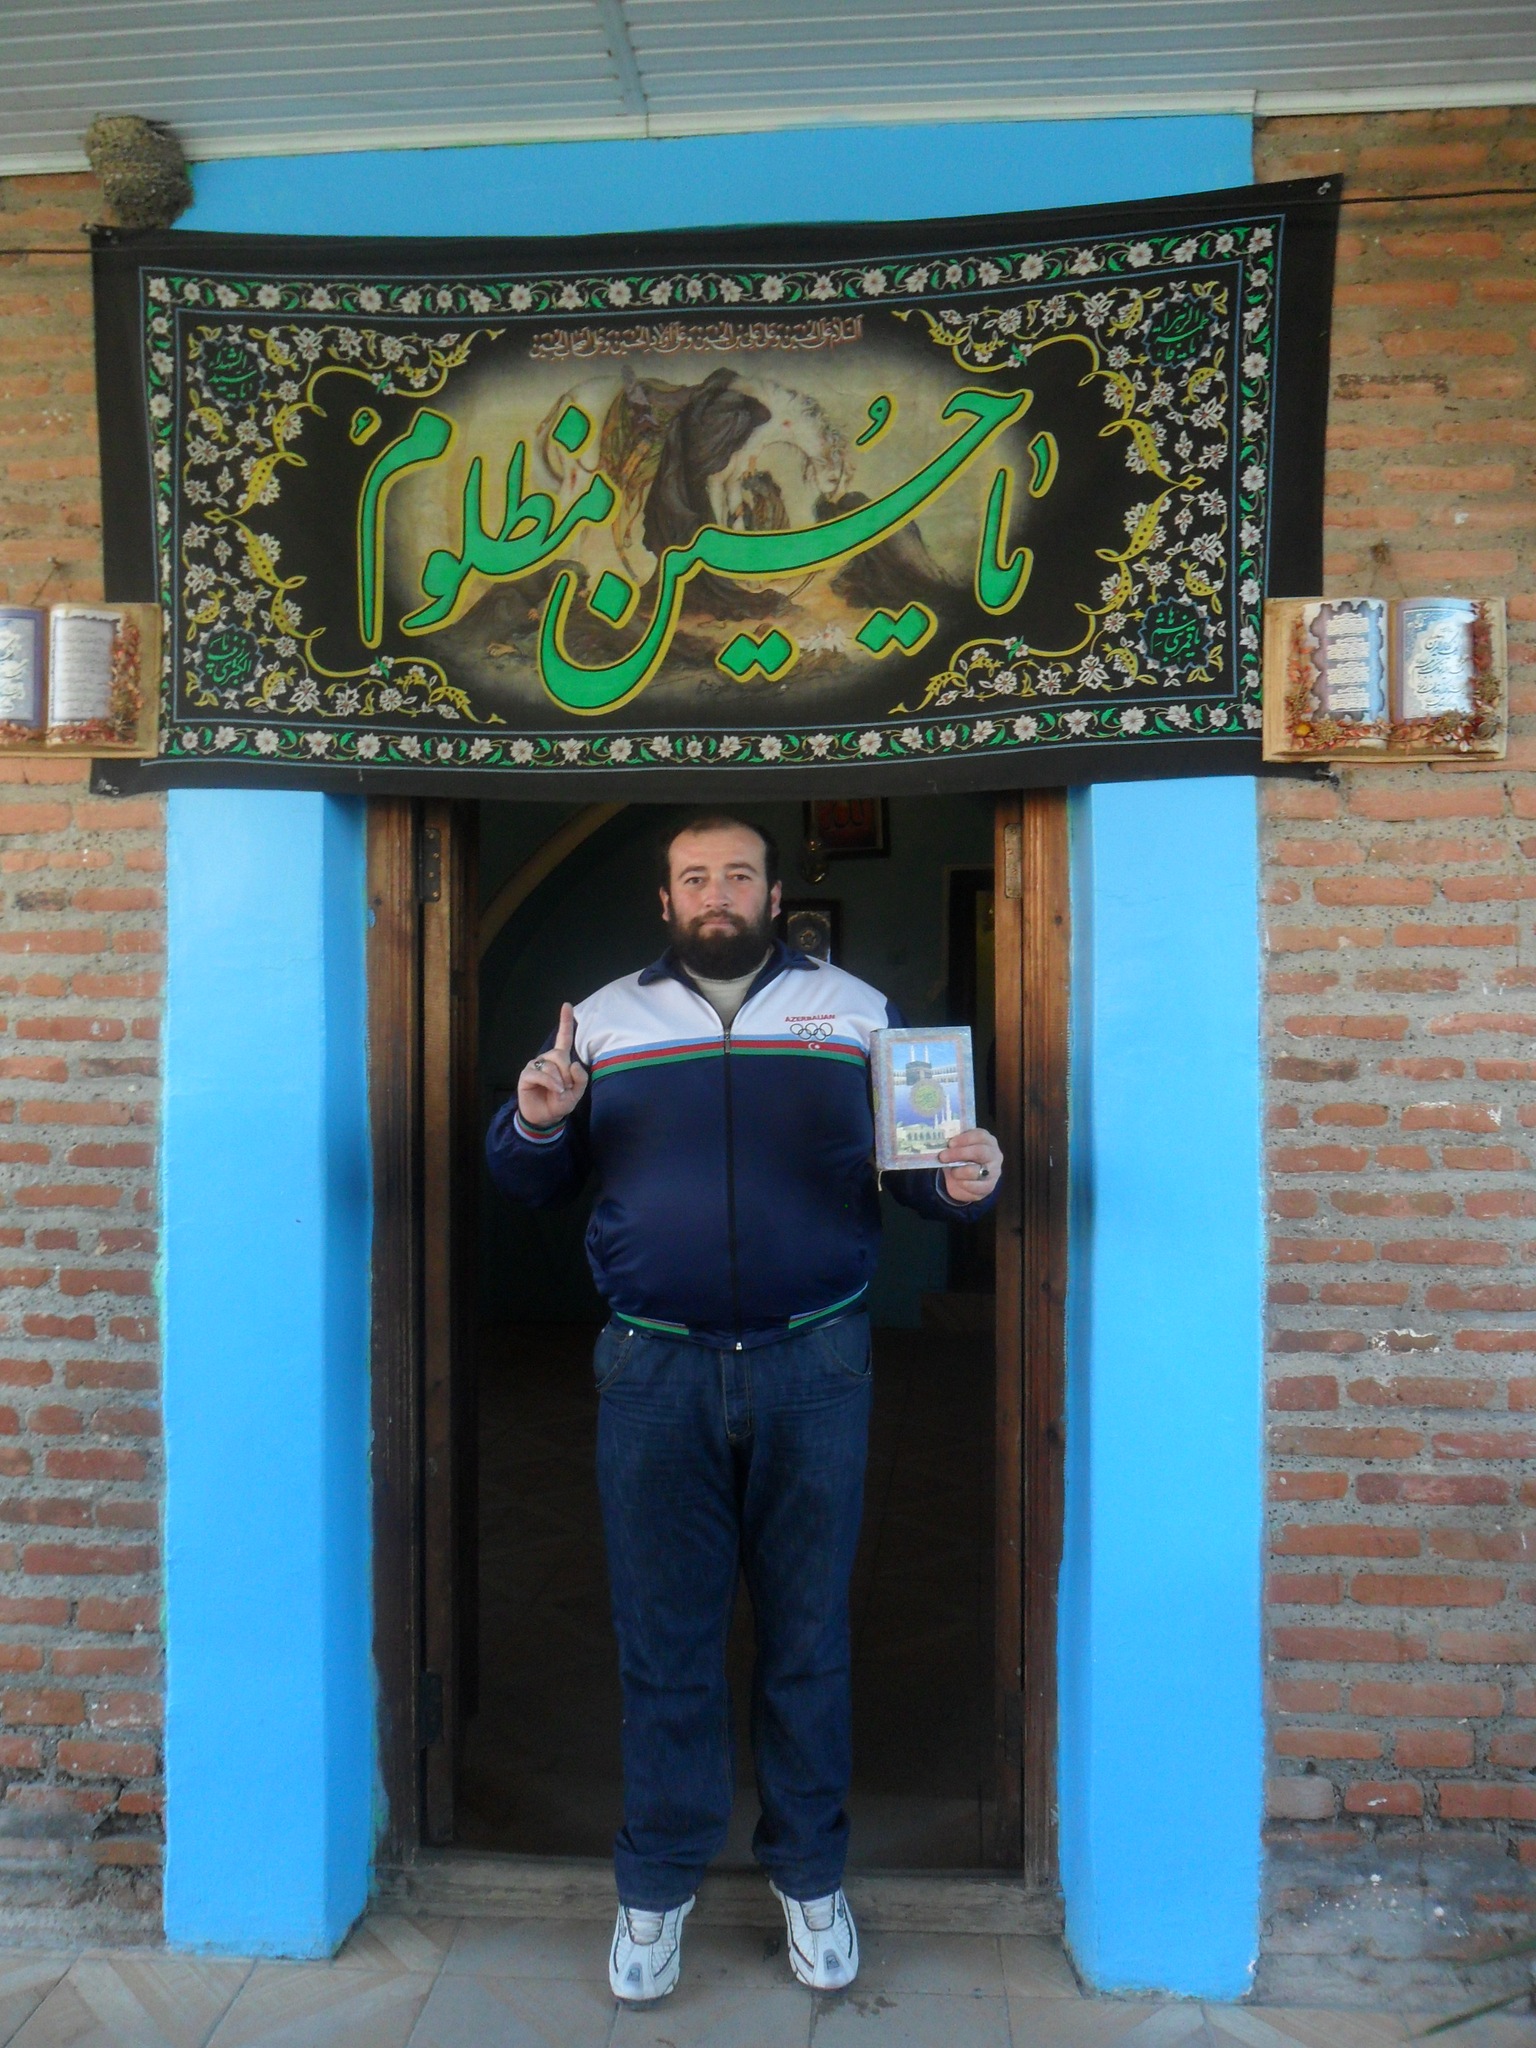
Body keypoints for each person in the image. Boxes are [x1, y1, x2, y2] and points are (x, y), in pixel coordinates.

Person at [485, 813, 1002, 2004]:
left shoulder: (856, 1009)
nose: (715, 892)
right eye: (693, 877)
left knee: (808, 1638)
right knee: (663, 1639)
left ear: (775, 894)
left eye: (737, 874)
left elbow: (924, 1173)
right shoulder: (600, 1020)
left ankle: (810, 1875)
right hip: (653, 1369)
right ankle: (656, 1883)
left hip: (815, 1361)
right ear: (665, 901)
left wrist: (967, 1181)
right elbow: (527, 1178)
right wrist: (538, 1119)